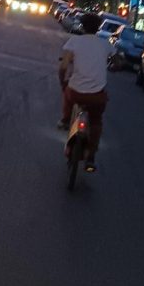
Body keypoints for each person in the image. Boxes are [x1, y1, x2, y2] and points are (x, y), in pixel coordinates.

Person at [57, 11, 109, 172]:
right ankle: (91, 156)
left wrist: (63, 82)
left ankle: (66, 120)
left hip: (76, 92)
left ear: (82, 26)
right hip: (96, 97)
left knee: (68, 91)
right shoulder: (106, 44)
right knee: (96, 121)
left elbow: (63, 67)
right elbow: (116, 59)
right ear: (98, 28)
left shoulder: (74, 41)